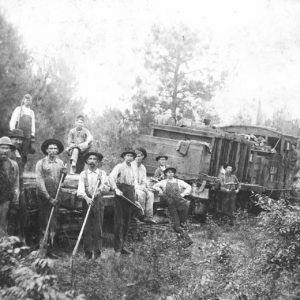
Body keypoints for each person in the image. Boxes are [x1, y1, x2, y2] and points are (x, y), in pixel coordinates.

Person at [36, 139, 66, 256]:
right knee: (44, 222)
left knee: (53, 222)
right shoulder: (41, 163)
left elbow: (61, 181)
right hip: (44, 197)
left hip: (57, 196)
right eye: (51, 148)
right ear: (46, 150)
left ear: (58, 150)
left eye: (55, 148)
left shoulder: (60, 163)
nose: (53, 150)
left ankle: (51, 249)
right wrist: (48, 198)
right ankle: (42, 250)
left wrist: (65, 174)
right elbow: (40, 182)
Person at [77, 151, 110, 260]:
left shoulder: (102, 174)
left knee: (98, 228)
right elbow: (80, 190)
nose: (92, 161)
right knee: (87, 228)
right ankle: (87, 253)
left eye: (94, 159)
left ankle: (97, 253)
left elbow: (106, 187)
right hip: (86, 203)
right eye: (90, 159)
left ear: (98, 162)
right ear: (86, 161)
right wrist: (86, 198)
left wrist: (100, 189)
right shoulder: (83, 174)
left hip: (98, 202)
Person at [109, 148, 138, 256]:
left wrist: (134, 196)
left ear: (133, 158)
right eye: (127, 156)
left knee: (127, 222)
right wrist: (115, 189)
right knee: (119, 222)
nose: (129, 157)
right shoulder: (119, 166)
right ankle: (117, 249)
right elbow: (111, 178)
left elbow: (133, 183)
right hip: (121, 194)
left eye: (131, 156)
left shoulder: (133, 168)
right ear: (124, 157)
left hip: (130, 194)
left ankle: (123, 247)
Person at [153, 167, 191, 234]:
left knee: (183, 220)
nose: (171, 174)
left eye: (172, 172)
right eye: (169, 172)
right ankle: (182, 234)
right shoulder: (164, 182)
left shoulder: (178, 181)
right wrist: (160, 190)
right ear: (166, 174)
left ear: (174, 174)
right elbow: (155, 186)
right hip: (170, 202)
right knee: (176, 221)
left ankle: (182, 233)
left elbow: (189, 187)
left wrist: (183, 194)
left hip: (179, 201)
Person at [7, 129, 27, 240]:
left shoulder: (20, 153)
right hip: (9, 187)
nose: (18, 142)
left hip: (20, 186)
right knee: (9, 214)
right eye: (16, 139)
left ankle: (19, 242)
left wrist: (21, 189)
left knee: (21, 214)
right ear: (10, 139)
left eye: (20, 139)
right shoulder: (6, 152)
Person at [0, 137, 19, 237]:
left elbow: (16, 183)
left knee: (3, 225)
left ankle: (2, 248)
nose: (4, 151)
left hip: (5, 199)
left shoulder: (13, 165)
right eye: (2, 148)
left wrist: (15, 199)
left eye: (7, 148)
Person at [132, 147, 156, 224]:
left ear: (143, 157)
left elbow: (143, 180)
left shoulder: (143, 168)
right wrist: (142, 188)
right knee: (141, 194)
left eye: (140, 156)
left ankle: (148, 216)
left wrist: (146, 187)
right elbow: (133, 181)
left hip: (140, 187)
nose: (138, 158)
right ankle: (139, 216)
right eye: (136, 156)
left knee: (150, 194)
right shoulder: (131, 166)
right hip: (133, 186)